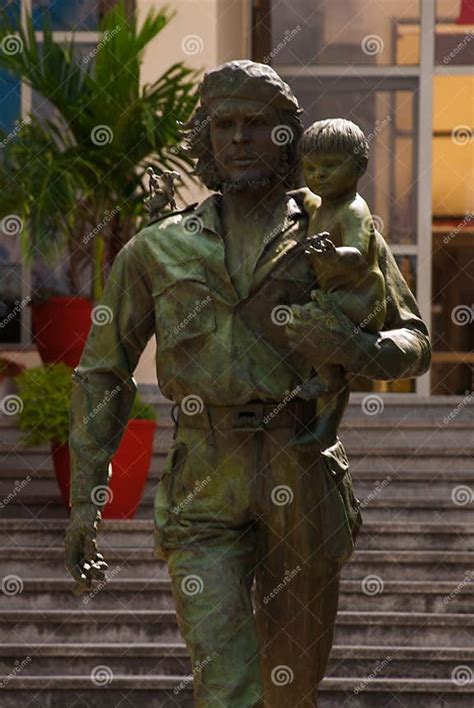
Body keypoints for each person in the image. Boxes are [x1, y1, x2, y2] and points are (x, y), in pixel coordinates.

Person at [64, 60, 431, 707]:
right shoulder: (156, 250)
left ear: (289, 138)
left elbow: (415, 342)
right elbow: (103, 372)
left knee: (290, 688)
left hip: (303, 469)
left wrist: (354, 348)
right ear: (204, 141)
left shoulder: (341, 226)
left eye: (256, 125)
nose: (237, 138)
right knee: (227, 686)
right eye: (223, 125)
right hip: (203, 481)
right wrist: (84, 502)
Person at [292, 118, 387, 448]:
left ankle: (327, 383)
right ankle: (326, 414)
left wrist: (334, 255)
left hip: (362, 299)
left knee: (313, 325)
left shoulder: (353, 209)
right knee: (309, 327)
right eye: (310, 167)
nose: (318, 175)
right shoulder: (320, 204)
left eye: (330, 167)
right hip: (334, 295)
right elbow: (306, 196)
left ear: (359, 167)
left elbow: (359, 255)